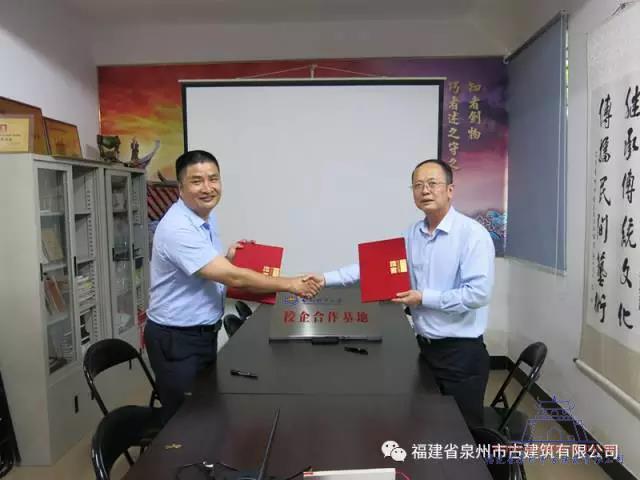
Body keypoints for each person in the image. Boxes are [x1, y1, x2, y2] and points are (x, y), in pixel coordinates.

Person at [311, 159, 495, 426]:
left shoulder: (472, 235)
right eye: (418, 185)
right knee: (428, 424)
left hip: (461, 354)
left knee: (463, 431)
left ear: (450, 190)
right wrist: (325, 279)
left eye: (432, 183)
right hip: (424, 348)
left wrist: (423, 298)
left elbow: (478, 294)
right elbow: (370, 268)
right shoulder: (413, 234)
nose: (425, 190)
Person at [145, 150, 321, 421]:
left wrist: (227, 259)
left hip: (200, 333)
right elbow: (233, 278)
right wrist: (291, 284)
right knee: (184, 420)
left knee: (204, 410)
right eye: (197, 181)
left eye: (213, 178)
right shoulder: (177, 228)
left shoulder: (204, 216)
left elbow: (206, 270)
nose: (207, 188)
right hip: (176, 339)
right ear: (180, 187)